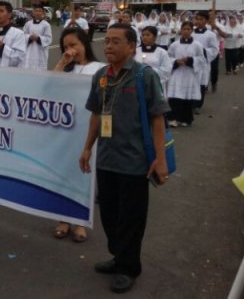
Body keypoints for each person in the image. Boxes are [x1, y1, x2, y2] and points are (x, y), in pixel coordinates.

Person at [80, 24, 169, 294]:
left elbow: (157, 118)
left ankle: (129, 268)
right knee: (109, 214)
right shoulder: (101, 77)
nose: (108, 46)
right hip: (106, 159)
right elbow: (96, 114)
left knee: (131, 218)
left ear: (131, 47)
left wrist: (161, 159)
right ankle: (119, 257)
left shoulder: (144, 76)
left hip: (134, 162)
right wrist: (87, 148)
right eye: (106, 41)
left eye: (116, 41)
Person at [52, 27, 105, 243]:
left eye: (73, 45)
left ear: (84, 44)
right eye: (65, 46)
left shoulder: (100, 68)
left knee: (84, 174)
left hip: (88, 129)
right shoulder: (66, 70)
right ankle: (63, 218)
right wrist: (63, 62)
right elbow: (49, 85)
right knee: (63, 171)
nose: (70, 50)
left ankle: (81, 221)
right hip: (66, 128)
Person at [167, 22, 204, 127]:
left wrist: (190, 60)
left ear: (192, 31)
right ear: (181, 30)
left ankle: (185, 118)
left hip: (189, 74)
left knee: (187, 97)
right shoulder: (174, 44)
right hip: (177, 73)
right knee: (175, 96)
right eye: (184, 29)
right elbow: (168, 57)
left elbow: (201, 59)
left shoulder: (197, 45)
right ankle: (173, 118)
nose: (186, 31)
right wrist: (176, 61)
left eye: (188, 29)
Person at [135, 26, 172, 94]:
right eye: (143, 35)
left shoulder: (162, 52)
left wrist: (149, 71)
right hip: (138, 84)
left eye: (148, 35)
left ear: (155, 37)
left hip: (155, 86)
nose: (145, 37)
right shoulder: (136, 51)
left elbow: (167, 70)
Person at [23, 4, 52, 70]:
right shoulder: (28, 24)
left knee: (40, 70)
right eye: (36, 11)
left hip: (41, 52)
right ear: (33, 12)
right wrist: (29, 37)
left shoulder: (46, 25)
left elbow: (49, 39)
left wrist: (38, 38)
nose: (38, 13)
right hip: (29, 51)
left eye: (40, 11)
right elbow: (23, 35)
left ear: (43, 13)